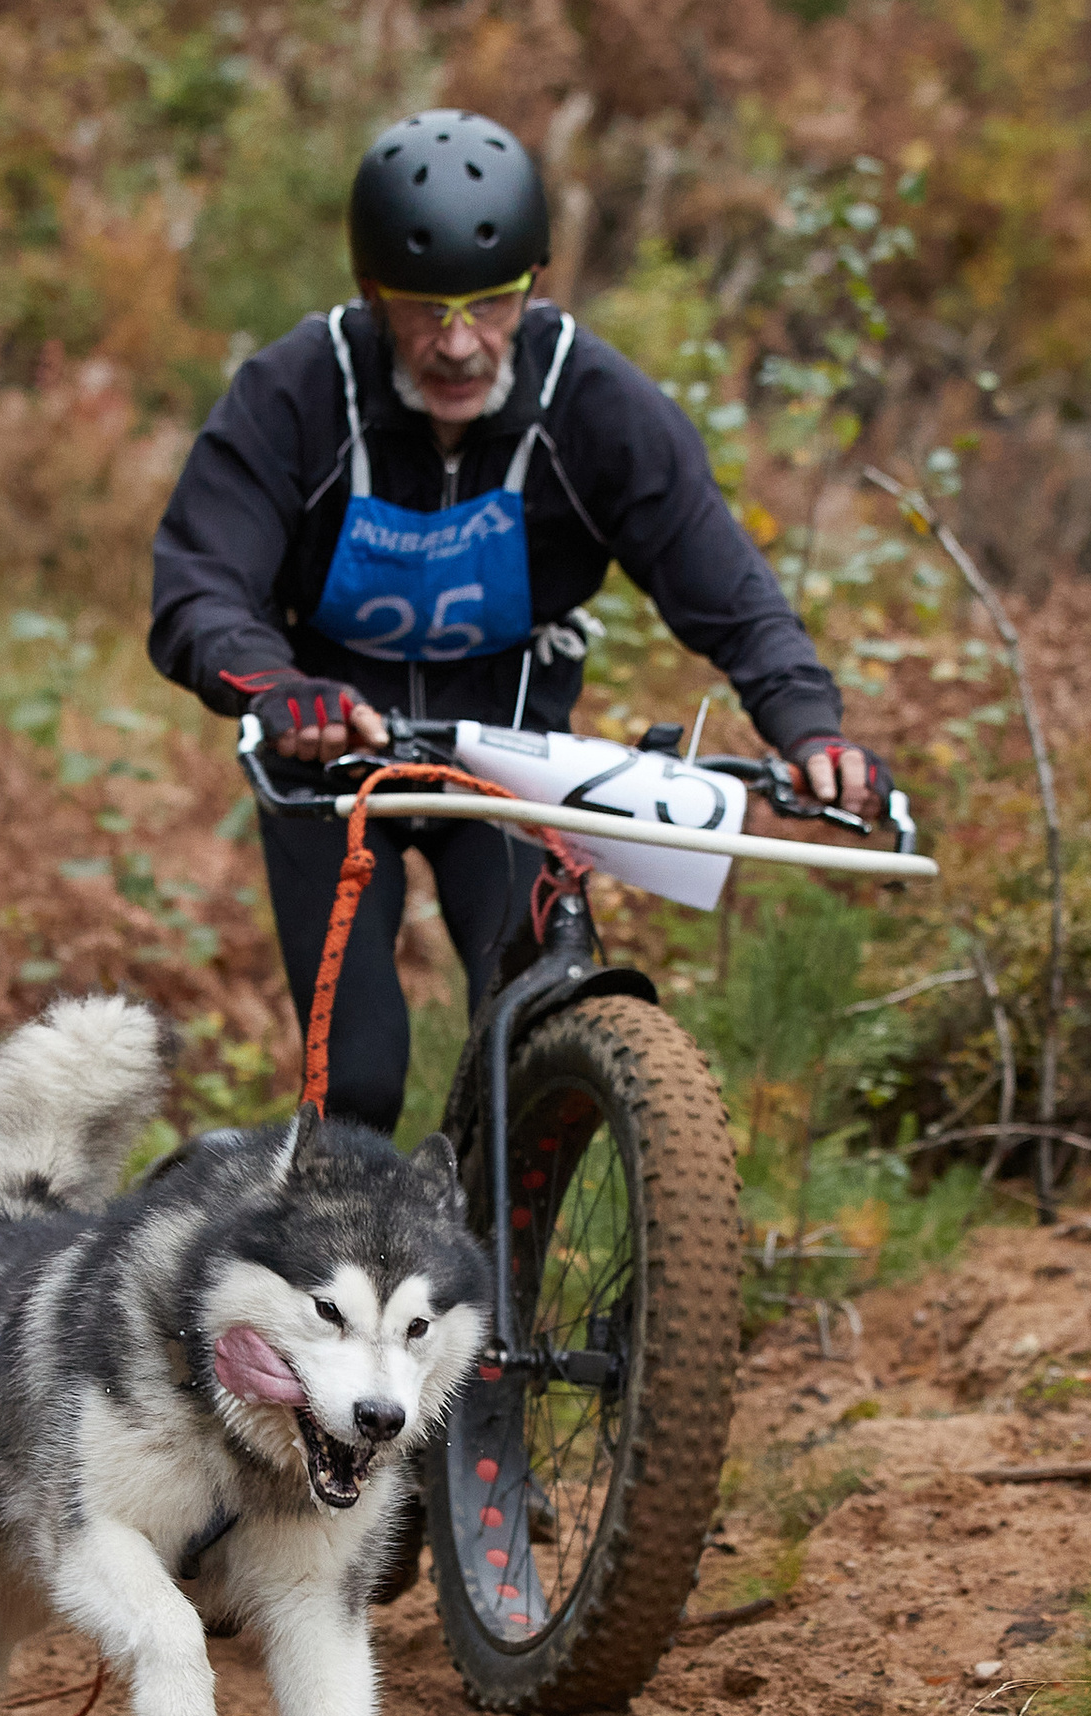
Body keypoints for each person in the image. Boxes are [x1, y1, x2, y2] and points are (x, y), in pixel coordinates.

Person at [149, 107, 891, 1136]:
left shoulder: (590, 405)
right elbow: (198, 585)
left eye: (490, 305)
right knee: (358, 1083)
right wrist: (272, 689)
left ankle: (514, 1276)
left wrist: (808, 727)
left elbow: (724, 588)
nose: (458, 345)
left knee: (529, 1040)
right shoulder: (295, 394)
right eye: (425, 310)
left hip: (509, 758)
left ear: (533, 285)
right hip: (329, 754)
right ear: (372, 295)